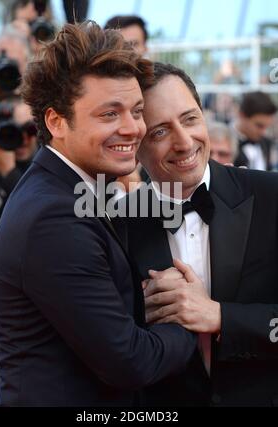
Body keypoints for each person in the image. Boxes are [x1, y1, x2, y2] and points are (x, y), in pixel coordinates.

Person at [0, 23, 196, 407]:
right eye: (109, 114)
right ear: (55, 122)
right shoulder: (54, 216)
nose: (132, 128)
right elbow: (130, 362)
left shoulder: (62, 191)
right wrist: (186, 320)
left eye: (136, 111)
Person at [118, 62, 278, 407]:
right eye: (159, 132)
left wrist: (221, 317)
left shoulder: (271, 197)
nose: (184, 141)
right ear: (134, 143)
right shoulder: (116, 223)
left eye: (190, 119)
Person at [233, 91, 277, 171]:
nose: (263, 132)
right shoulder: (223, 145)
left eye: (267, 127)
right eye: (259, 125)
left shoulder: (266, 143)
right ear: (242, 115)